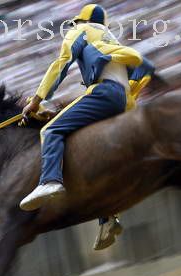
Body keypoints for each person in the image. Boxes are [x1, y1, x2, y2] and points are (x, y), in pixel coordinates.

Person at [19, 4, 155, 250]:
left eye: (74, 24)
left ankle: (50, 180)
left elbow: (61, 62)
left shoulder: (81, 30)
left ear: (78, 22)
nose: (73, 28)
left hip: (104, 93)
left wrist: (37, 100)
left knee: (49, 130)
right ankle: (107, 218)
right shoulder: (108, 36)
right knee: (88, 149)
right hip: (124, 100)